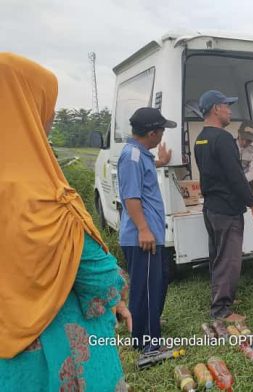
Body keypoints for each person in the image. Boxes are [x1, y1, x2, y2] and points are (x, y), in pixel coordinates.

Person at [0, 53, 130, 390]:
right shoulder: (41, 195)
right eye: (45, 108)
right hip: (57, 354)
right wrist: (118, 294)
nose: (49, 118)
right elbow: (96, 275)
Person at [194, 90, 253, 323]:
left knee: (217, 256)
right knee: (229, 259)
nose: (230, 110)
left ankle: (221, 298)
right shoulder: (223, 138)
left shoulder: (201, 138)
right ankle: (222, 310)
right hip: (226, 210)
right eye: (227, 106)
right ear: (216, 108)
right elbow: (235, 177)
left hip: (211, 207)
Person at [117, 107, 175, 353]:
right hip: (143, 237)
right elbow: (131, 197)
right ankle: (149, 344)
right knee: (147, 290)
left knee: (154, 284)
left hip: (149, 235)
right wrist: (143, 229)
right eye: (161, 130)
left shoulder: (140, 154)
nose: (162, 135)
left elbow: (143, 175)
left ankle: (144, 329)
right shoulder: (132, 156)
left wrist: (161, 162)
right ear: (152, 132)